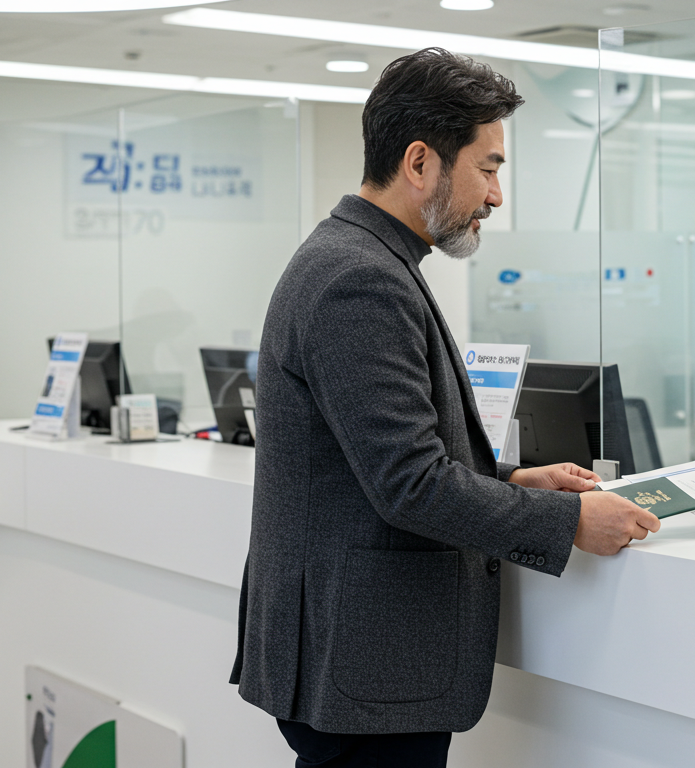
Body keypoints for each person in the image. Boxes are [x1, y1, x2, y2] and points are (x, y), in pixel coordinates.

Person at [229, 48, 660, 767]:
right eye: (488, 168)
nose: (496, 196)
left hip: (356, 663)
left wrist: (511, 482)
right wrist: (570, 522)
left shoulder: (365, 259)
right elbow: (409, 484)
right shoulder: (358, 280)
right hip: (363, 668)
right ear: (421, 161)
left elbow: (382, 457)